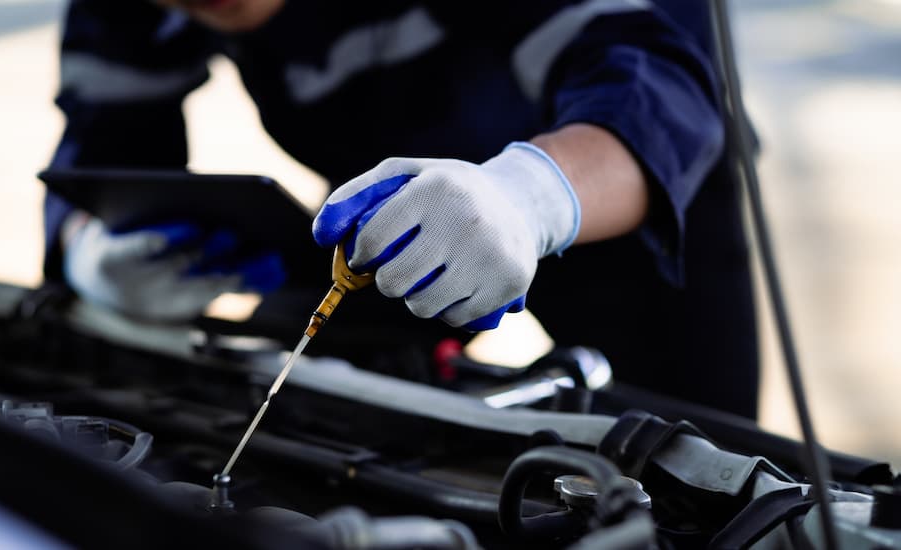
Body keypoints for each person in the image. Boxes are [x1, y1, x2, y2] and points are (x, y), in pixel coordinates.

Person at [44, 0, 759, 419]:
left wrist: (529, 197)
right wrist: (88, 250)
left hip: (606, 188)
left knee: (687, 466)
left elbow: (652, 77)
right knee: (304, 417)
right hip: (381, 208)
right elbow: (102, 144)